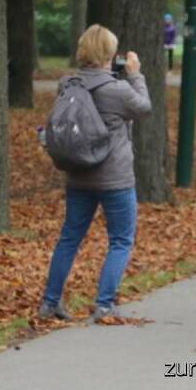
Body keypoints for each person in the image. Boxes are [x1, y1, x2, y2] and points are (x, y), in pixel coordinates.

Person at [38, 25, 152, 322]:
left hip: (79, 173)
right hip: (115, 177)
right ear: (109, 54)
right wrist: (136, 74)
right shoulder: (118, 89)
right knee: (121, 239)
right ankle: (104, 305)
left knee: (70, 237)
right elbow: (144, 109)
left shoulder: (68, 84)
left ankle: (50, 302)